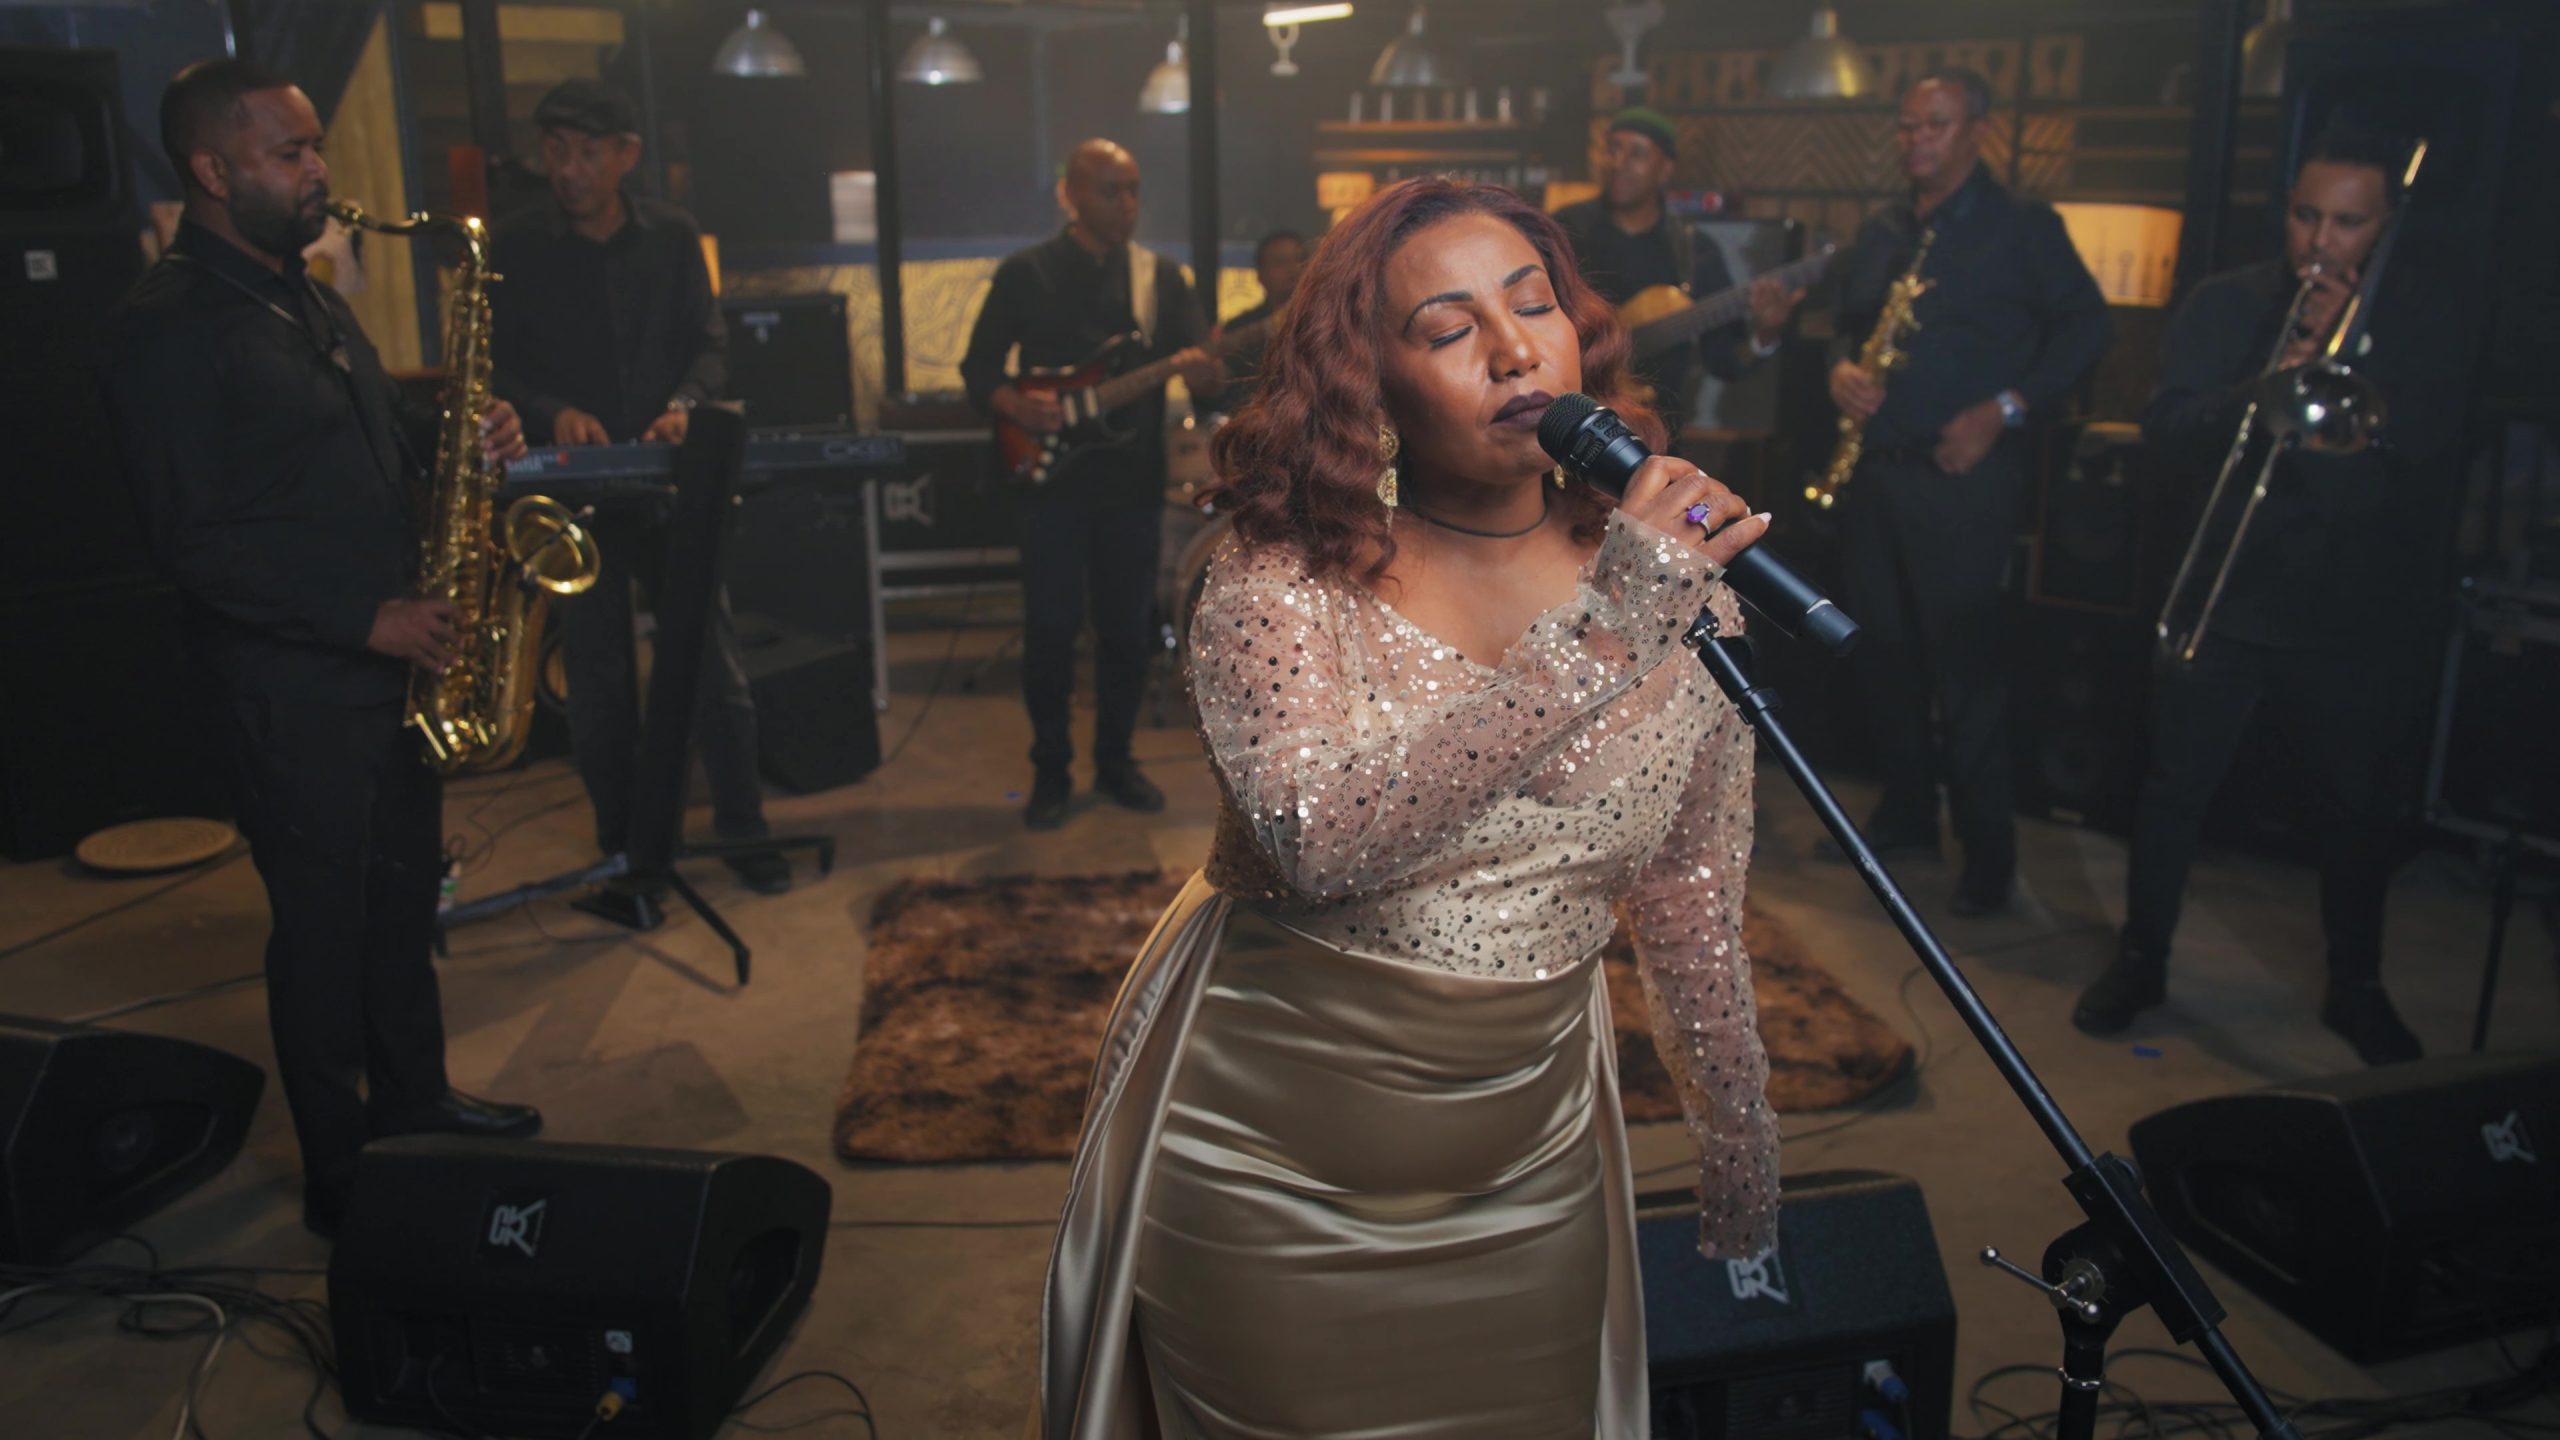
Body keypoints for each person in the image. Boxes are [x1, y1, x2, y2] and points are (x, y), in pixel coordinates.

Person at [1033, 176, 1780, 1438]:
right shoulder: (1277, 583)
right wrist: (1601, 642)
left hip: (1530, 1161)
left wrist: (1738, 1132)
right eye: (1446, 329)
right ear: (1366, 382)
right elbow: (1317, 843)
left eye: (1532, 305)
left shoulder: (1666, 582)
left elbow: (1686, 883)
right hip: (1268, 1161)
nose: (1511, 350)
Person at [106, 59, 541, 1238]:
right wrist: (363, 618)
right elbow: (189, 540)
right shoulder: (166, 328)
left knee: (400, 906)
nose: (319, 172)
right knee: (321, 933)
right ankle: (342, 1172)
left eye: (316, 148)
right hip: (288, 688)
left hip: (384, 669)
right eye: (290, 152)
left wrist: (465, 426)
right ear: (213, 169)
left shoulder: (301, 296)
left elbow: (371, 433)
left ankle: (416, 1104)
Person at [2073, 129, 2424, 1065]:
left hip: (2344, 611)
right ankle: (2143, 961)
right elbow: (2169, 429)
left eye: (2347, 223)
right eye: (2307, 216)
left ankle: (2357, 986)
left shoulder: (2406, 325)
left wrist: (2348, 365)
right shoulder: (2227, 304)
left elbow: (2408, 479)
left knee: (2355, 809)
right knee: (2173, 791)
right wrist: (2274, 382)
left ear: (2383, 227)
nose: (2322, 242)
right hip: (2227, 594)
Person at [488, 79, 789, 896]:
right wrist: (552, 411)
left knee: (711, 664)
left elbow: (711, 346)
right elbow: (496, 366)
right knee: (597, 681)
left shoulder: (673, 236)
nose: (569, 170)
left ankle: (744, 827)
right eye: (555, 151)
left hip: (668, 485)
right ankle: (626, 848)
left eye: (588, 152)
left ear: (626, 155)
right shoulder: (517, 246)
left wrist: (683, 408)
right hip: (574, 495)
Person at [1824, 69, 2110, 914]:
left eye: (1936, 125)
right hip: (1879, 472)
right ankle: (1908, 812)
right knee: (1882, 655)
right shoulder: (1884, 228)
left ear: (1978, 130)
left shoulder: (2023, 227)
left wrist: (2005, 409)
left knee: (1968, 673)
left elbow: (2089, 329)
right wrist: (1839, 370)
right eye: (1908, 125)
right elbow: (1847, 325)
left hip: (1964, 478)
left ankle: (1989, 855)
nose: (1917, 140)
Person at [960, 138, 1224, 830]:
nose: (1127, 204)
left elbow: (1205, 372)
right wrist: (1017, 407)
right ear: (1070, 194)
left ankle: (1116, 760)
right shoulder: (1026, 274)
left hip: (1130, 484)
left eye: (1134, 189)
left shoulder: (1160, 279)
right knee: (1049, 629)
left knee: (1126, 633)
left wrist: (1207, 370)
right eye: (1111, 190)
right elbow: (978, 369)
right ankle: (1050, 769)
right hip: (1048, 484)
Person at [1553, 107, 1803, 438]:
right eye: (1613, 149)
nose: (1619, 162)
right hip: (1571, 427)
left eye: (1637, 153)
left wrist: (1764, 334)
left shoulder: (1693, 249)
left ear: (1665, 169)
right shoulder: (1566, 229)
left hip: (1655, 437)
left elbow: (1724, 360)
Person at [1215, 228, 1307, 407]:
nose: (1294, 269)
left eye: (1301, 259)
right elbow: (1227, 394)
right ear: (1260, 275)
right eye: (1281, 262)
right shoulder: (1239, 326)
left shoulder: (1324, 320)